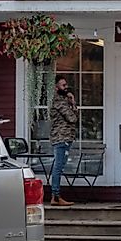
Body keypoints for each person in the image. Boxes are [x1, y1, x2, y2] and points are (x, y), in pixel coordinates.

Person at [49, 75, 77, 206]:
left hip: (65, 137)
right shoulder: (58, 101)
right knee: (58, 167)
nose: (66, 87)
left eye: (66, 85)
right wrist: (73, 104)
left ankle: (56, 195)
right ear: (56, 87)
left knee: (59, 167)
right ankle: (55, 196)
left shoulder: (62, 100)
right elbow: (72, 118)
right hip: (61, 137)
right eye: (63, 85)